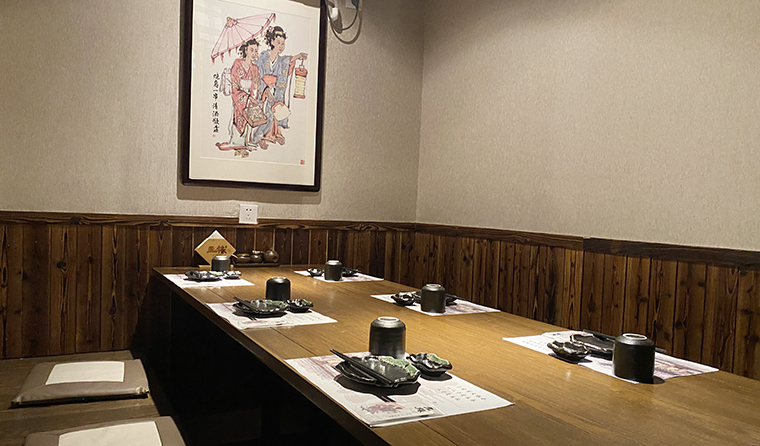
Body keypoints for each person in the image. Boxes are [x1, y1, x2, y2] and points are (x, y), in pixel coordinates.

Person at [256, 26, 307, 146]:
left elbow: (287, 60)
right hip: (264, 89)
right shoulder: (263, 56)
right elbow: (258, 74)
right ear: (272, 41)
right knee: (266, 112)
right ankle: (262, 136)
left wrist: (299, 56)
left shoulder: (281, 60)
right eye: (278, 42)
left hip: (276, 89)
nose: (280, 46)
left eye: (283, 44)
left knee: (277, 108)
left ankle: (276, 133)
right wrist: (265, 90)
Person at [217, 39, 271, 151]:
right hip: (240, 96)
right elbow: (235, 84)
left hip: (250, 97)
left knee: (250, 117)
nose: (254, 53)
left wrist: (255, 86)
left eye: (256, 51)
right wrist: (247, 97)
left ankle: (246, 141)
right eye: (252, 50)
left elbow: (256, 86)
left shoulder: (255, 68)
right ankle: (236, 141)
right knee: (238, 117)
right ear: (246, 50)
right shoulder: (237, 63)